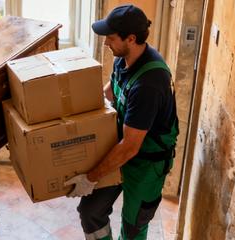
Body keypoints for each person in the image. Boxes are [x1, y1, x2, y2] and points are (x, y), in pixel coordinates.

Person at [63, 4, 180, 240]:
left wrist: (90, 178)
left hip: (146, 164)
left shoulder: (149, 83)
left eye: (111, 38)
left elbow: (130, 147)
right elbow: (110, 92)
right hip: (120, 149)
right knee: (90, 211)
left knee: (133, 226)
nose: (106, 43)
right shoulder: (123, 59)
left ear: (131, 38)